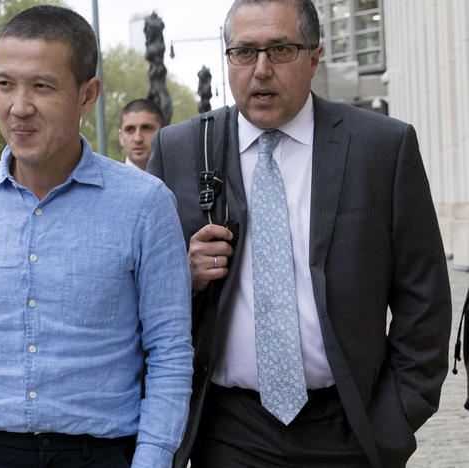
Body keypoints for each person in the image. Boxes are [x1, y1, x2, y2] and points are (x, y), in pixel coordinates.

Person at [147, 1, 452, 467]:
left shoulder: (382, 148)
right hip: (229, 430)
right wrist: (182, 278)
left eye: (281, 50)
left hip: (350, 428)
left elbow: (424, 301)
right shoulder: (182, 149)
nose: (261, 70)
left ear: (314, 56)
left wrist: (393, 418)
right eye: (244, 52)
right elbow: (143, 304)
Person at [0, 6, 193, 468]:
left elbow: (168, 352)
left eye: (41, 86)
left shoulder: (145, 205)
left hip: (98, 453)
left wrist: (153, 460)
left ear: (88, 95)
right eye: (5, 84)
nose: (19, 106)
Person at [118, 98, 165, 170]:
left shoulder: (183, 177)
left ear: (163, 134)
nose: (138, 139)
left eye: (146, 128)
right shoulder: (105, 180)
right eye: (130, 129)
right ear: (121, 136)